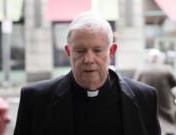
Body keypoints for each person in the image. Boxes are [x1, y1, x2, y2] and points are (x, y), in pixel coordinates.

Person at [13, 11, 161, 135]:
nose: (89, 59)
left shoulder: (145, 97)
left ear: (111, 51)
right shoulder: (36, 99)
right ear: (68, 52)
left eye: (97, 50)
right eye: (80, 50)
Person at [133, 48, 176, 134]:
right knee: (166, 122)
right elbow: (174, 83)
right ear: (159, 58)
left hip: (146, 99)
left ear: (149, 58)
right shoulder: (166, 69)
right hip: (164, 101)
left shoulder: (141, 69)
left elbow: (134, 85)